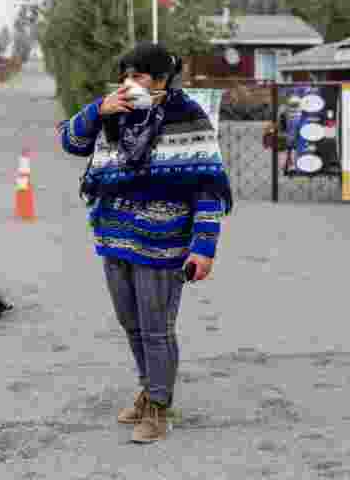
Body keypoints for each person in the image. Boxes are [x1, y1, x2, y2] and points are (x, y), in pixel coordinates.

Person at [57, 43, 233, 444]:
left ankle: (158, 406)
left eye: (137, 76)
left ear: (160, 80)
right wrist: (96, 111)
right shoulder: (112, 116)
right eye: (124, 76)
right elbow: (71, 142)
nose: (128, 84)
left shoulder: (187, 118)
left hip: (163, 243)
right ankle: (148, 386)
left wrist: (203, 247)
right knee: (131, 324)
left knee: (156, 328)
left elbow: (208, 187)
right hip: (114, 238)